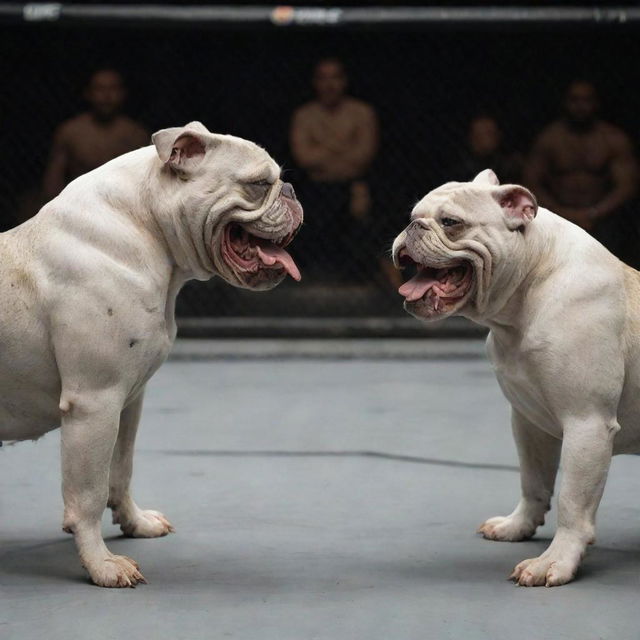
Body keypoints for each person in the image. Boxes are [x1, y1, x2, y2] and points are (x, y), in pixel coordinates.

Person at [524, 80, 638, 262]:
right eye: (575, 100)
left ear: (596, 103)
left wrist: (594, 213)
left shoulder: (613, 139)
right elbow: (531, 183)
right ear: (566, 103)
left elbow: (627, 186)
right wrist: (562, 213)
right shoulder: (549, 139)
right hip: (558, 219)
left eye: (586, 100)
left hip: (602, 220)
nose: (580, 106)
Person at [289, 57, 379, 281]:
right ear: (315, 82)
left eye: (335, 77)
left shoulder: (363, 113)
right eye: (323, 78)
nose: (329, 84)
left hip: (354, 186)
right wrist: (343, 147)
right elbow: (303, 157)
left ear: (344, 81)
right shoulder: (304, 115)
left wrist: (322, 148)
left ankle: (359, 279)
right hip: (314, 190)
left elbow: (363, 156)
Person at [43, 68, 149, 200]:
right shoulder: (70, 132)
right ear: (88, 93)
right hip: (78, 203)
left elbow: (146, 183)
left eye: (113, 88)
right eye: (100, 89)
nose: (107, 95)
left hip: (122, 206)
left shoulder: (136, 135)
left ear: (123, 93)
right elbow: (53, 180)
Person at [453, 114, 523, 184]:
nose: (483, 139)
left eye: (488, 133)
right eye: (478, 135)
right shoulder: (459, 170)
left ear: (498, 135)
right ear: (470, 138)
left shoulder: (511, 167)